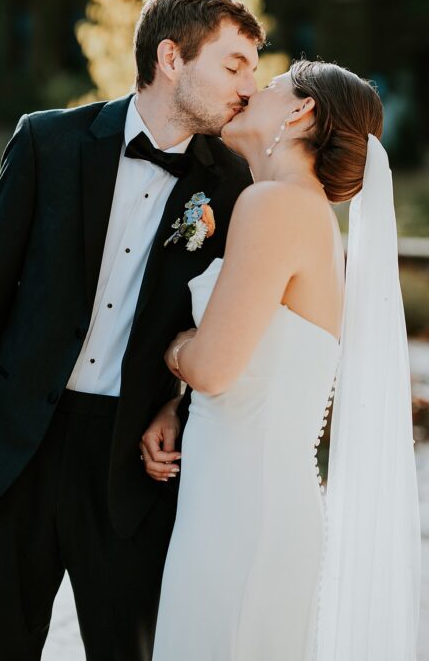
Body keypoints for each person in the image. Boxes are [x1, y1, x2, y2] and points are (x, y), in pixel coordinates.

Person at [0, 0, 262, 660]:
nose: (249, 86)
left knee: (129, 647)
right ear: (171, 57)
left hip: (130, 464)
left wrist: (178, 403)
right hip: (17, 448)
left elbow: (235, 324)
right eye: (235, 65)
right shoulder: (47, 142)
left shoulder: (232, 184)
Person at [150, 61, 419, 660]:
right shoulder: (302, 211)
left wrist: (173, 350)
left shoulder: (274, 204)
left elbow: (214, 367)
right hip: (244, 501)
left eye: (269, 86)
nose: (250, 90)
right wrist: (176, 403)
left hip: (243, 513)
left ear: (300, 111)